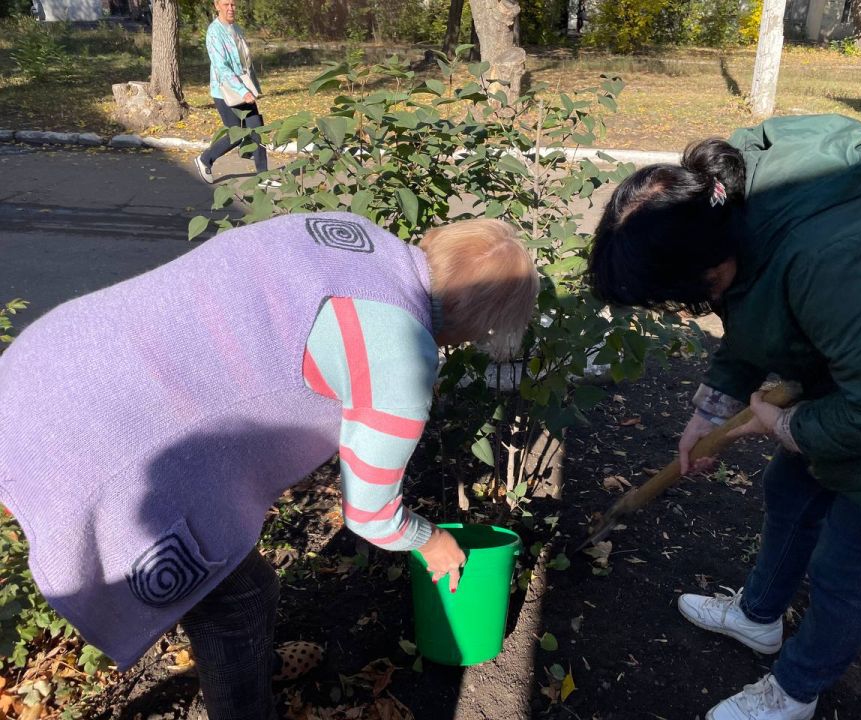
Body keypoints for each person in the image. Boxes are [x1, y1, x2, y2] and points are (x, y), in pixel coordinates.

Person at [0, 212, 539, 720]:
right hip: (100, 437)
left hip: (59, 357)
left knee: (233, 582)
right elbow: (371, 513)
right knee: (240, 599)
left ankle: (248, 668)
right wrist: (429, 540)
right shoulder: (398, 358)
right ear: (480, 323)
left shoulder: (349, 234)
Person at [588, 114, 861, 720]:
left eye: (688, 296)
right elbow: (751, 321)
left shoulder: (834, 258)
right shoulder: (735, 224)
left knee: (848, 569)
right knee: (790, 495)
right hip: (847, 393)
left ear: (711, 264)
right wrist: (710, 412)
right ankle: (758, 617)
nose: (697, 307)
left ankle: (794, 691)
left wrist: (786, 427)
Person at [194, 0, 279, 189]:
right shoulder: (214, 32)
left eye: (233, 4)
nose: (231, 8)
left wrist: (252, 87)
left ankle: (263, 176)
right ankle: (205, 159)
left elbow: (245, 63)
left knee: (256, 128)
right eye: (226, 4)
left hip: (244, 89)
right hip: (225, 91)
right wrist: (242, 91)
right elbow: (221, 67)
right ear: (216, 5)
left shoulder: (237, 29)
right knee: (237, 134)